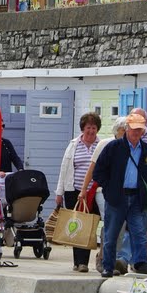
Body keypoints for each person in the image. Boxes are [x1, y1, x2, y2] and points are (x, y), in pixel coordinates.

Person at [94, 112, 147, 278]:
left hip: (136, 197)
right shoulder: (114, 147)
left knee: (139, 232)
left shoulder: (146, 150)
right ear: (127, 129)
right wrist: (109, 189)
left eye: (140, 130)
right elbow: (99, 171)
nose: (137, 133)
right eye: (134, 129)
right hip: (117, 197)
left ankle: (141, 263)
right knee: (111, 234)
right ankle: (107, 266)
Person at [55, 112, 102, 273]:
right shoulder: (74, 145)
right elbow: (64, 169)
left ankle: (84, 262)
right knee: (75, 225)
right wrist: (59, 192)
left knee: (88, 226)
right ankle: (78, 261)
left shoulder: (101, 145)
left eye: (94, 128)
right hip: (73, 190)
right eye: (88, 128)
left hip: (94, 192)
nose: (91, 131)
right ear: (83, 128)